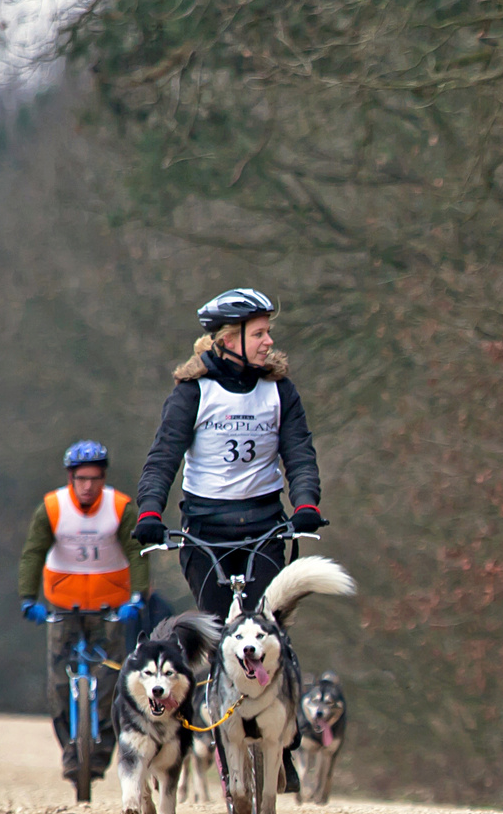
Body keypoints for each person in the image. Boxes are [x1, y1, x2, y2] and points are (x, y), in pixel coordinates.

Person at [131, 288, 325, 617]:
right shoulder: (192, 392)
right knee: (219, 633)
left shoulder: (280, 391)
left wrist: (306, 503)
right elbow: (164, 458)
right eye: (259, 334)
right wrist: (150, 512)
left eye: (268, 334)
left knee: (263, 630)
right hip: (206, 530)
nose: (268, 342)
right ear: (230, 341)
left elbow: (299, 453)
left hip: (264, 528)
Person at [18, 440, 148, 781]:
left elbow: (137, 552)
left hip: (110, 607)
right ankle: (71, 752)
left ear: (103, 478)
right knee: (60, 680)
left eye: (94, 478)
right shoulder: (51, 507)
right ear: (71, 478)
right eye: (81, 479)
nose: (88, 486)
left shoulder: (121, 508)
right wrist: (28, 597)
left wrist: (138, 596)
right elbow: (34, 552)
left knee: (111, 679)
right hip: (63, 604)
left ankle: (99, 755)